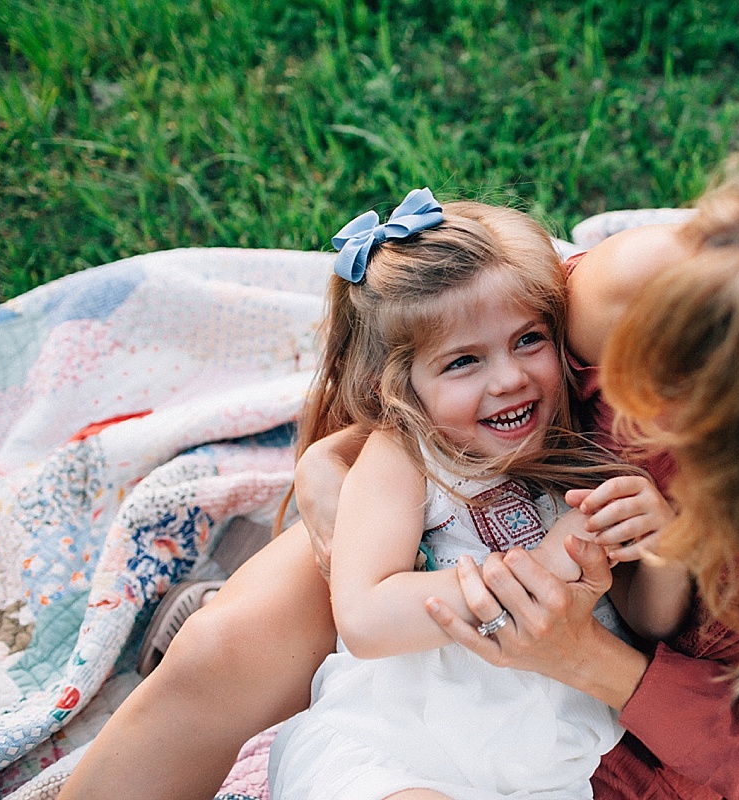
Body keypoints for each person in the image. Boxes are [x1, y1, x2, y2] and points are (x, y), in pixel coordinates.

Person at [58, 127, 739, 800]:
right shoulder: (652, 286)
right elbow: (442, 348)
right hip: (472, 541)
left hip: (648, 736)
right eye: (699, 371)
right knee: (218, 658)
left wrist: (582, 658)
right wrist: (337, 466)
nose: (680, 421)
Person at [259, 190, 688, 799]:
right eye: (463, 362)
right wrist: (537, 572)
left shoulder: (581, 468)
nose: (509, 378)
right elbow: (366, 617)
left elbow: (648, 623)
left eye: (528, 340)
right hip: (391, 752)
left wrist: (665, 548)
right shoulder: (409, 458)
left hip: (544, 778)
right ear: (401, 384)